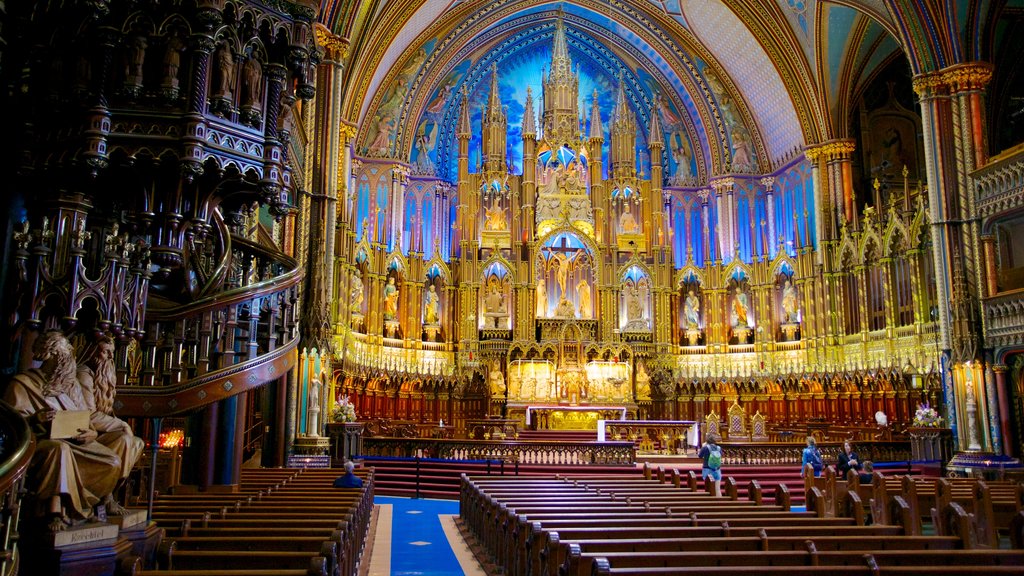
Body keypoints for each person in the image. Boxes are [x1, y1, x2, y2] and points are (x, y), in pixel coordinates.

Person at [5, 331, 124, 530]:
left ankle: (86, 508)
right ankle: (55, 512)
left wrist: (91, 433)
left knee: (112, 462)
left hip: (75, 442)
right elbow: (10, 426)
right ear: (49, 354)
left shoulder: (70, 386)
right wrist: (36, 419)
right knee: (60, 450)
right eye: (63, 355)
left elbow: (86, 420)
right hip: (39, 444)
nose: (68, 360)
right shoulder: (22, 384)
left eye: (68, 355)